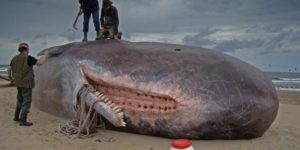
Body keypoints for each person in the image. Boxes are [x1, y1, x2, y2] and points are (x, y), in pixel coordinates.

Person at [7, 43, 48, 126]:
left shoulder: (14, 58)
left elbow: (9, 69)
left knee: (19, 100)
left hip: (18, 83)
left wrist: (11, 79)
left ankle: (16, 117)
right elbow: (40, 62)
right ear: (25, 50)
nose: (28, 51)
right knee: (26, 101)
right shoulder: (28, 58)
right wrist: (45, 55)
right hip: (27, 83)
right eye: (28, 49)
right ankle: (23, 120)